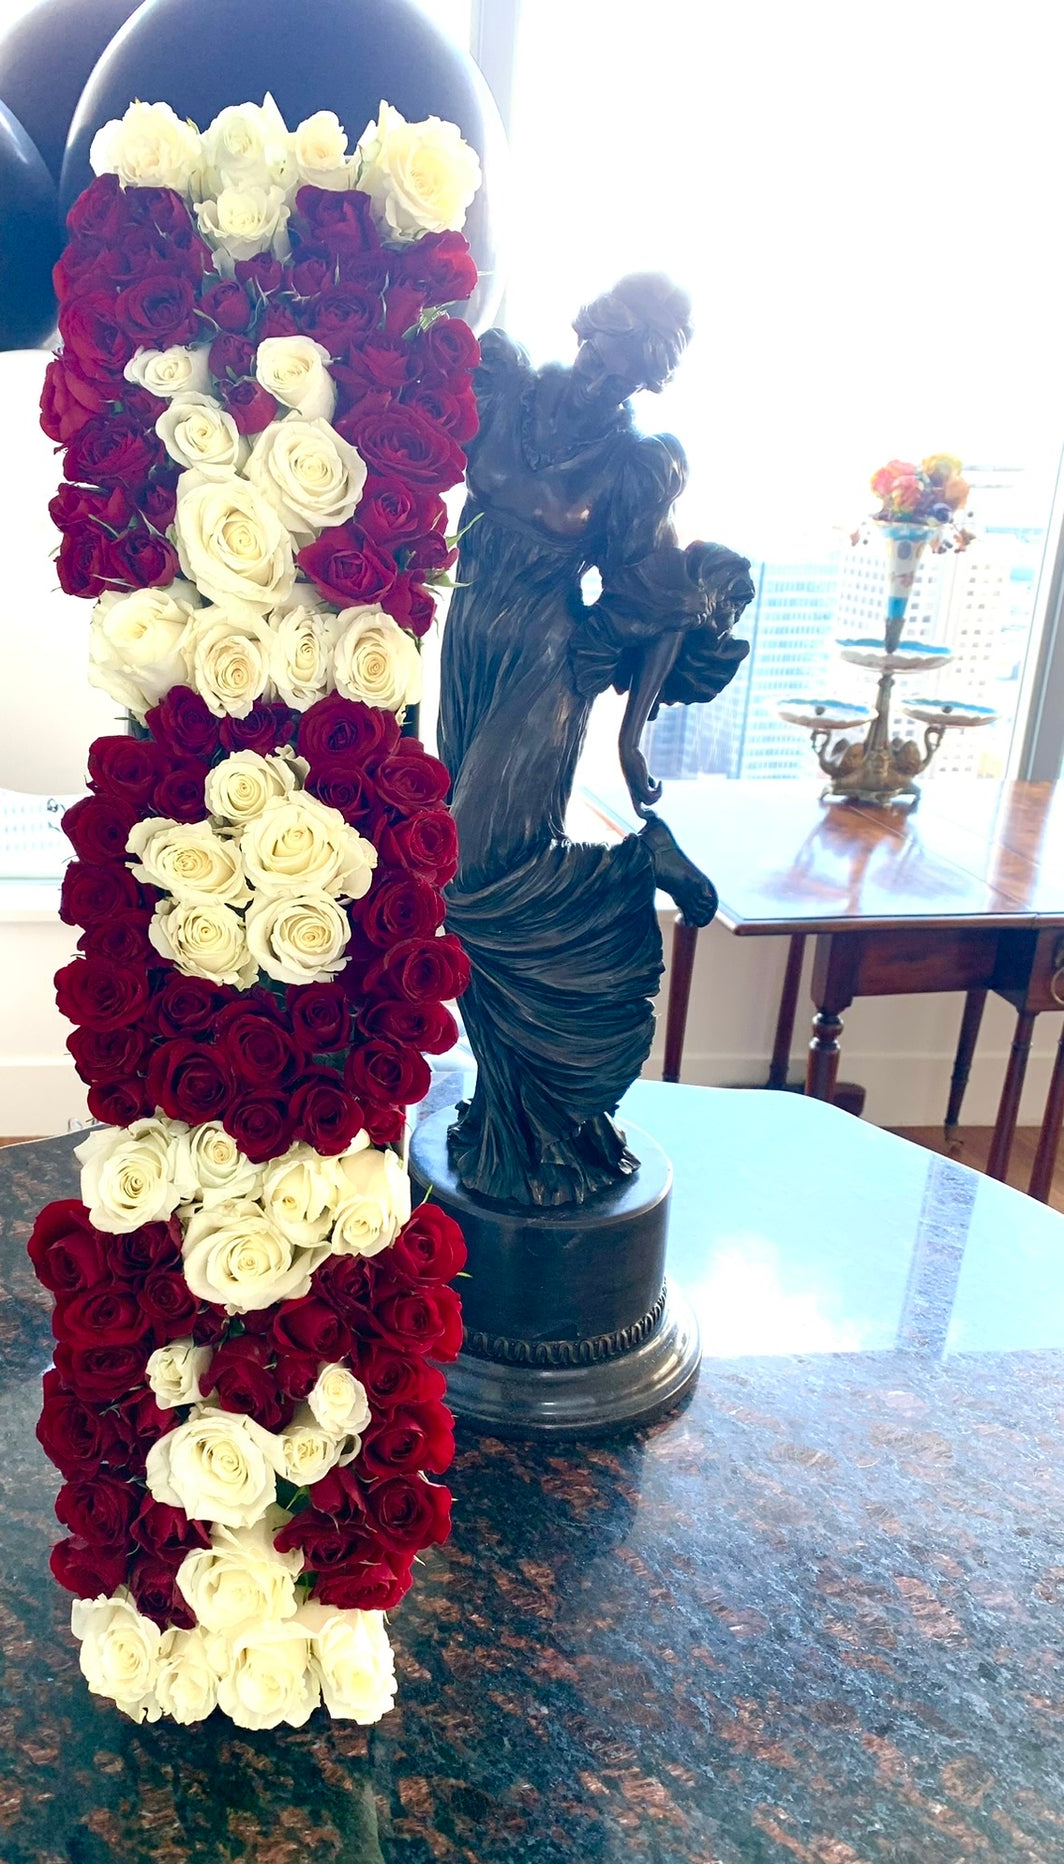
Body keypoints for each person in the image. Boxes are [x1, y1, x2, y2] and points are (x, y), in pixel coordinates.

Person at [439, 271, 754, 1207]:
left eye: (628, 371)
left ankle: (634, 865)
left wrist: (630, 745)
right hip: (462, 649)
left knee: (464, 873)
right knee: (446, 865)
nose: (603, 378)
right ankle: (510, 1114)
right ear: (588, 328)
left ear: (644, 381)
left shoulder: (634, 465)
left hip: (547, 661)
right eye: (603, 351)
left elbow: (657, 603)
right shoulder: (499, 379)